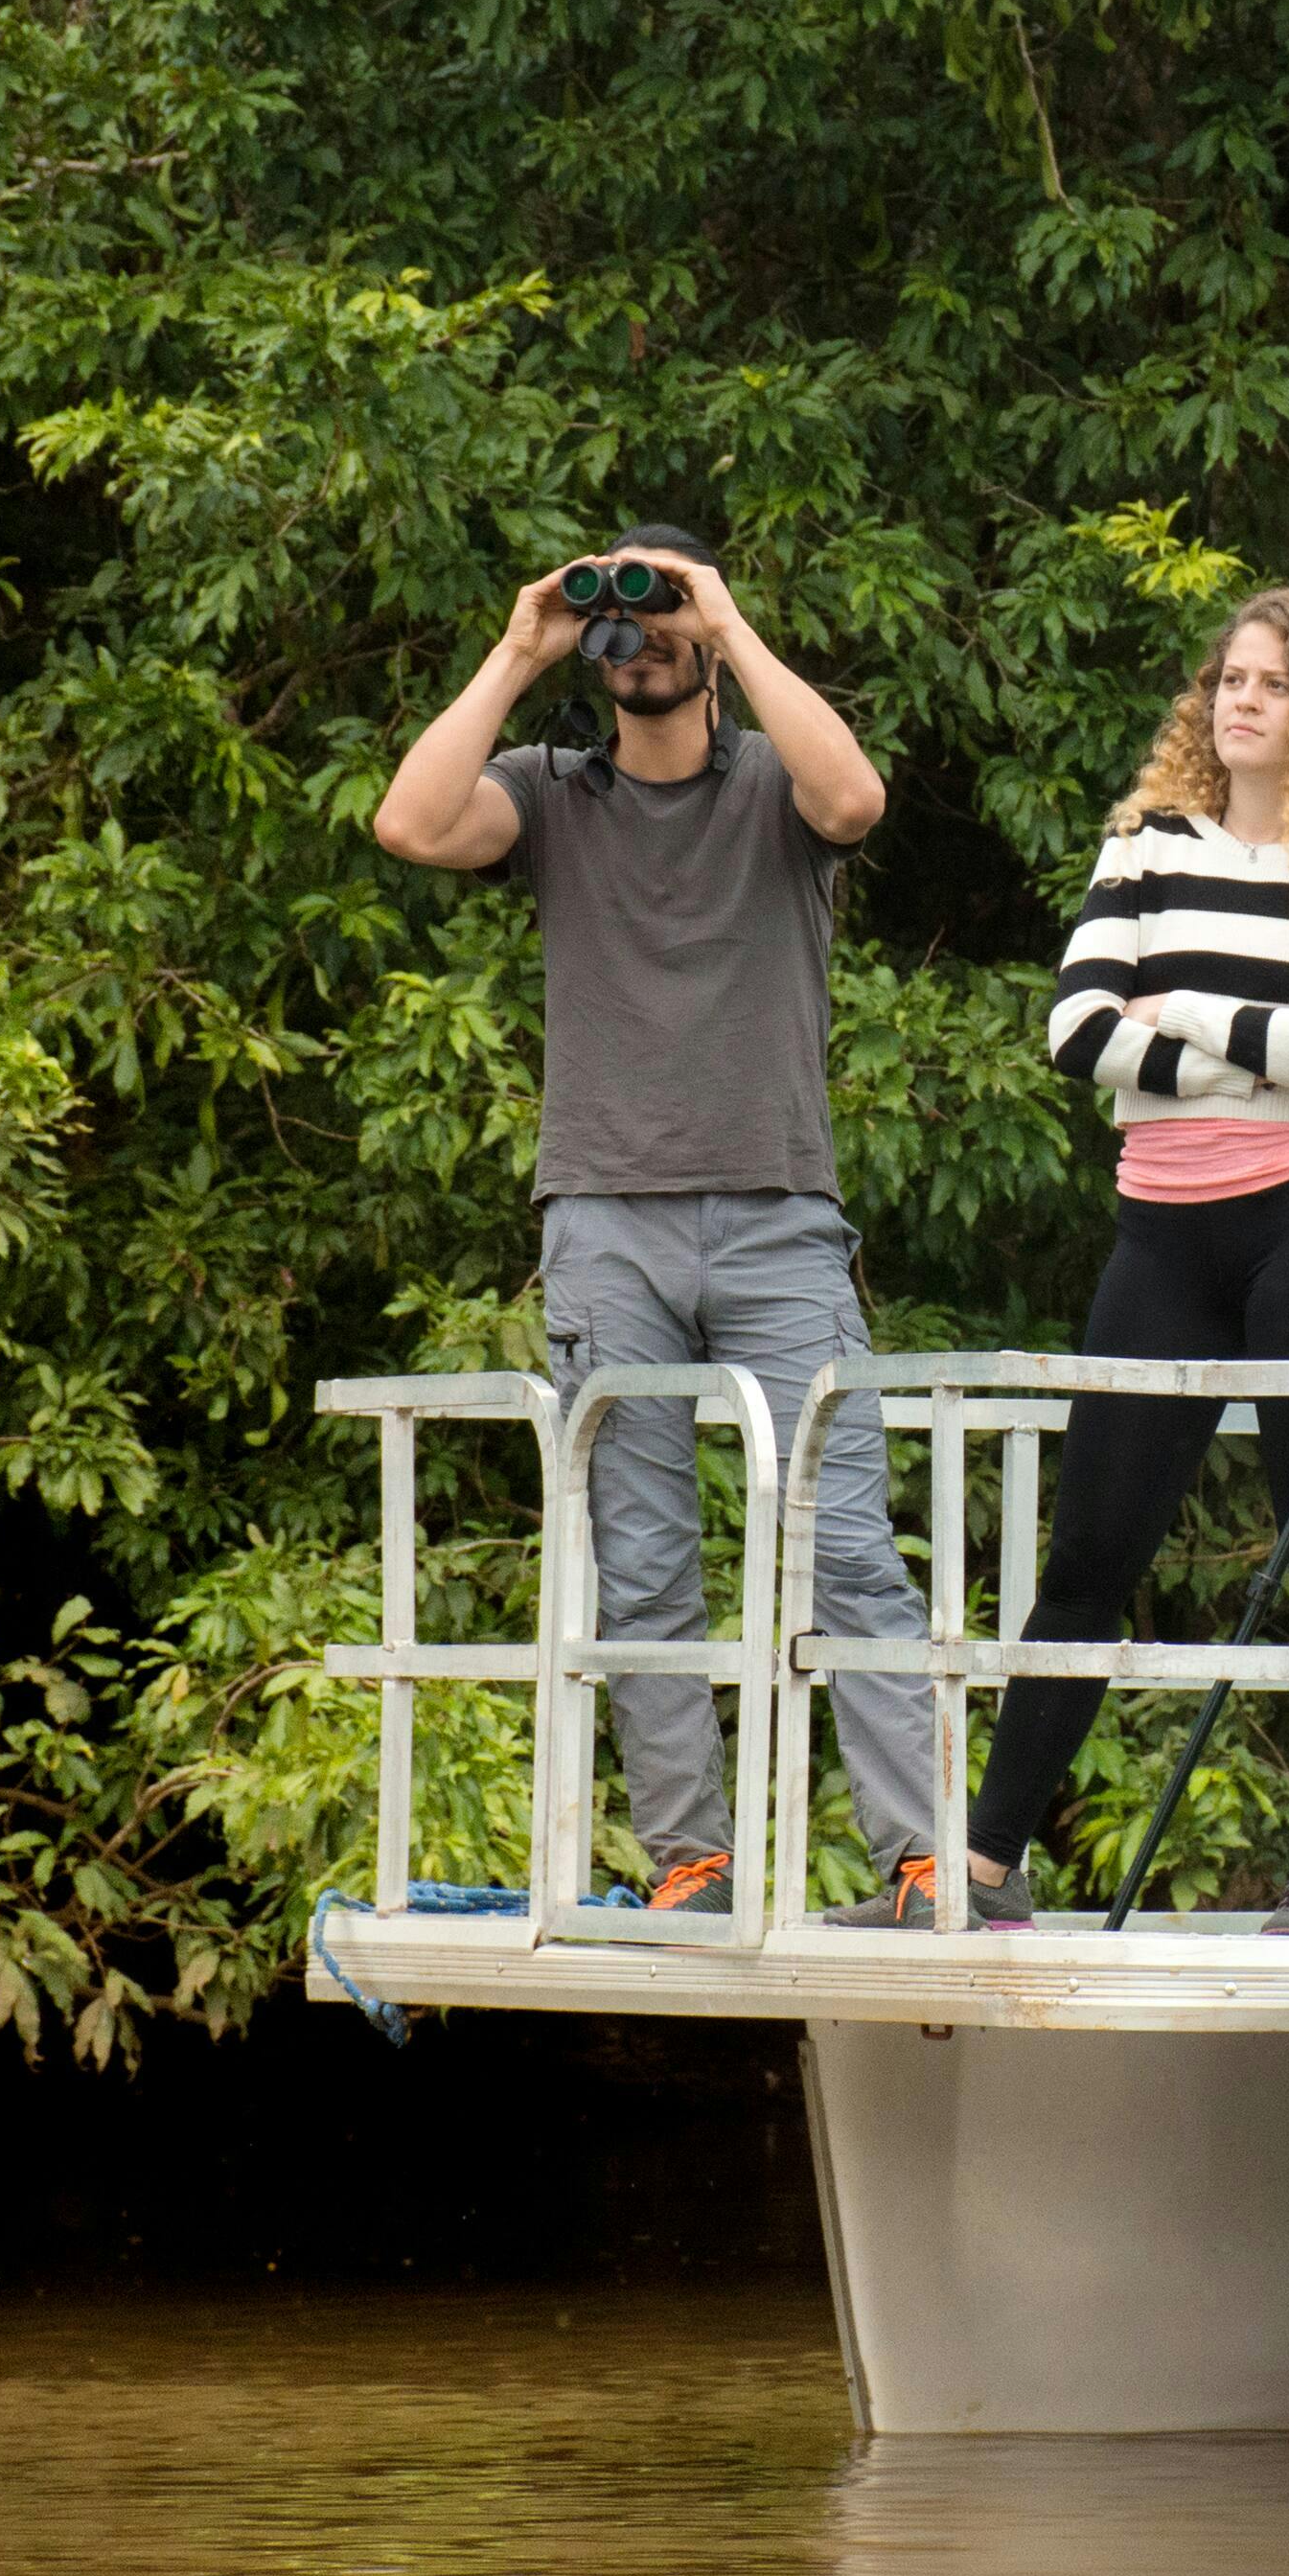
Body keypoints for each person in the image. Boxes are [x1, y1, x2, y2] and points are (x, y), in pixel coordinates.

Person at [368, 523, 936, 1918]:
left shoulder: (773, 788)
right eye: (627, 615)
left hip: (779, 1217)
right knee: (644, 1552)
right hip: (606, 1222)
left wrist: (725, 624)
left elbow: (855, 796)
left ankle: (918, 1855)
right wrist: (520, 647)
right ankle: (693, 1855)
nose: (643, 636)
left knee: (848, 1543)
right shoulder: (552, 795)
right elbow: (411, 824)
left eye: (664, 609)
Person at [899, 590, 1289, 1934]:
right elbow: (1075, 1032)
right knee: (1093, 1545)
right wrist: (1262, 1028)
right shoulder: (1144, 850)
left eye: (1274, 683)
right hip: (1161, 1225)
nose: (1242, 702)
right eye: (1229, 679)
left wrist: (1186, 1011)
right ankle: (986, 1866)